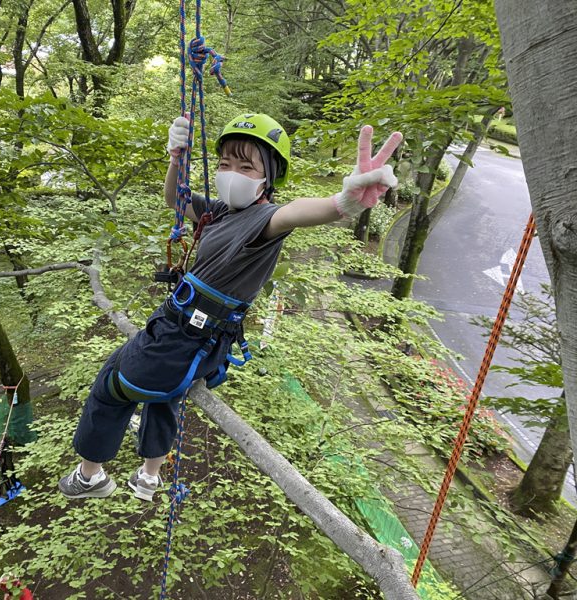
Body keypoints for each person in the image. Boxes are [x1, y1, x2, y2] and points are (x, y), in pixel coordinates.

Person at [58, 113, 402, 501]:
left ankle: (90, 477)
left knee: (110, 386)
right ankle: (149, 477)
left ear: (267, 176)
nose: (230, 173)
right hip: (194, 336)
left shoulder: (265, 219)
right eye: (224, 164)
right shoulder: (222, 212)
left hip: (183, 338)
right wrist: (175, 159)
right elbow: (176, 199)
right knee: (166, 393)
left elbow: (297, 212)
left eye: (245, 165)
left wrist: (343, 203)